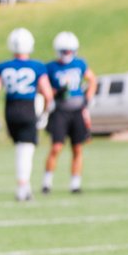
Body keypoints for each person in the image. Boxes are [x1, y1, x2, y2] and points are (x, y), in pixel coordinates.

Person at [0, 28, 54, 202]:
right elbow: (47, 93)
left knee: (20, 147)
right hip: (27, 108)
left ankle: (25, 186)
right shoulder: (37, 66)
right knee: (26, 149)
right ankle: (23, 188)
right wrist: (45, 113)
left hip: (10, 109)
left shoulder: (3, 66)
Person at [42, 31, 97, 195]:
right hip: (60, 111)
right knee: (56, 147)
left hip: (77, 110)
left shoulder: (80, 63)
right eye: (65, 51)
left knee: (77, 148)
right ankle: (47, 182)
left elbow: (92, 79)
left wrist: (88, 99)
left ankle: (75, 183)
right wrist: (54, 94)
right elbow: (44, 87)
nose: (68, 54)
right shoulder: (51, 67)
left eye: (70, 51)